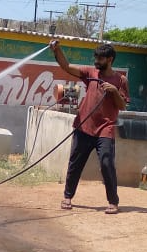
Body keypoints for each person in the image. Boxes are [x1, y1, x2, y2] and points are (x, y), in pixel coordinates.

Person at [48, 40, 129, 214]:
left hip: (105, 128)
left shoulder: (120, 80)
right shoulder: (90, 73)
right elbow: (67, 66)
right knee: (75, 163)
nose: (96, 60)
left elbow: (122, 106)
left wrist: (114, 91)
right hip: (83, 126)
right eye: (96, 56)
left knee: (107, 163)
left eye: (100, 57)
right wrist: (57, 50)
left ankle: (113, 202)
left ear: (110, 59)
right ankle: (67, 197)